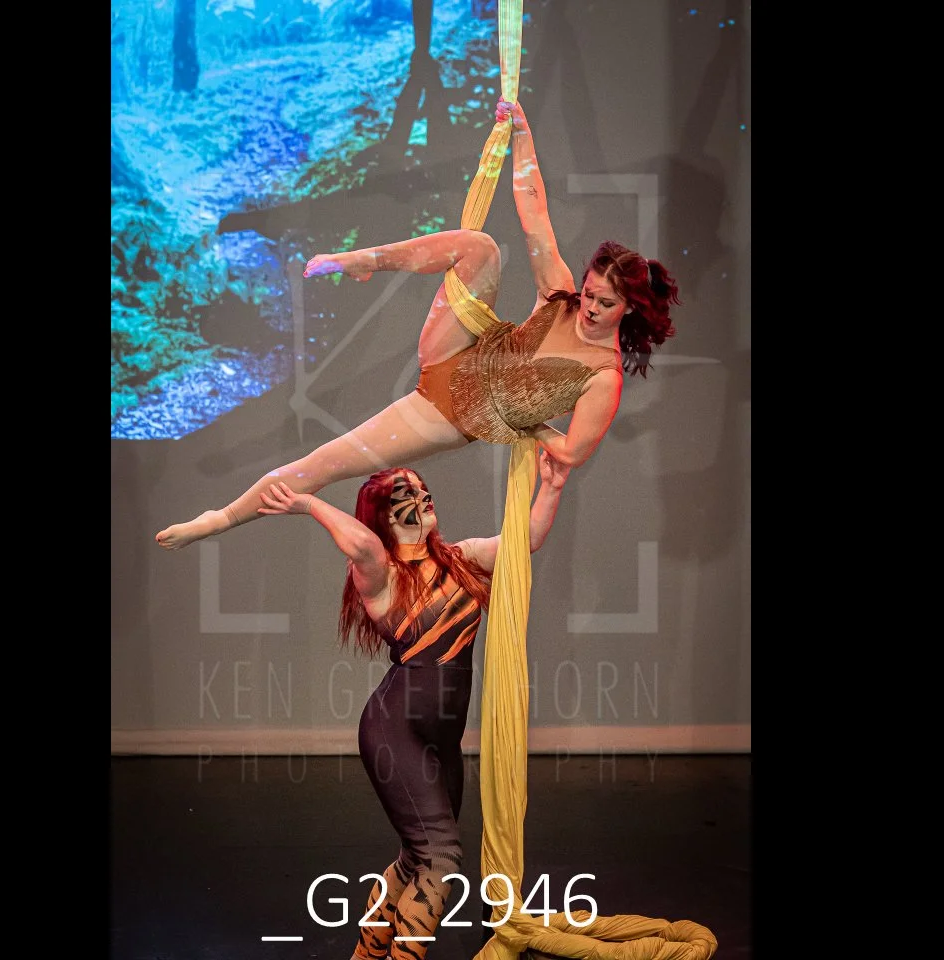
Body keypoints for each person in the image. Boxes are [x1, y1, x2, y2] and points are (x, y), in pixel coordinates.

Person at [155, 98, 679, 552]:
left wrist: (527, 425)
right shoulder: (560, 297)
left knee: (326, 463)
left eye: (604, 303)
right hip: (459, 350)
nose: (589, 307)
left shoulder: (602, 377)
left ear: (630, 308)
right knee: (479, 247)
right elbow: (532, 209)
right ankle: (363, 261)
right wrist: (521, 134)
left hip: (448, 416)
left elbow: (571, 452)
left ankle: (221, 518)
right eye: (589, 293)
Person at [255, 451, 571, 960]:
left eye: (424, 492)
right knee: (441, 858)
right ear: (383, 516)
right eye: (407, 496)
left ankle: (366, 955)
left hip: (443, 737)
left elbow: (523, 541)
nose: (423, 500)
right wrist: (308, 503)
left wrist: (551, 486)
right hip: (395, 730)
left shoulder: (461, 559)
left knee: (416, 858)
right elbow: (361, 542)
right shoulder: (380, 573)